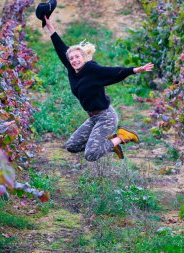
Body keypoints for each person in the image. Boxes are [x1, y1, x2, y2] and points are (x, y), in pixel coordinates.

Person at [44, 16, 154, 162]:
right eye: (72, 59)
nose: (75, 60)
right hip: (93, 117)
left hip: (106, 117)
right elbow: (60, 47)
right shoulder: (72, 70)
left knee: (91, 155)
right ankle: (109, 141)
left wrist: (134, 70)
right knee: (71, 145)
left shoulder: (91, 69)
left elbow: (112, 72)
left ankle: (121, 138)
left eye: (77, 57)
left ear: (84, 57)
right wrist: (49, 26)